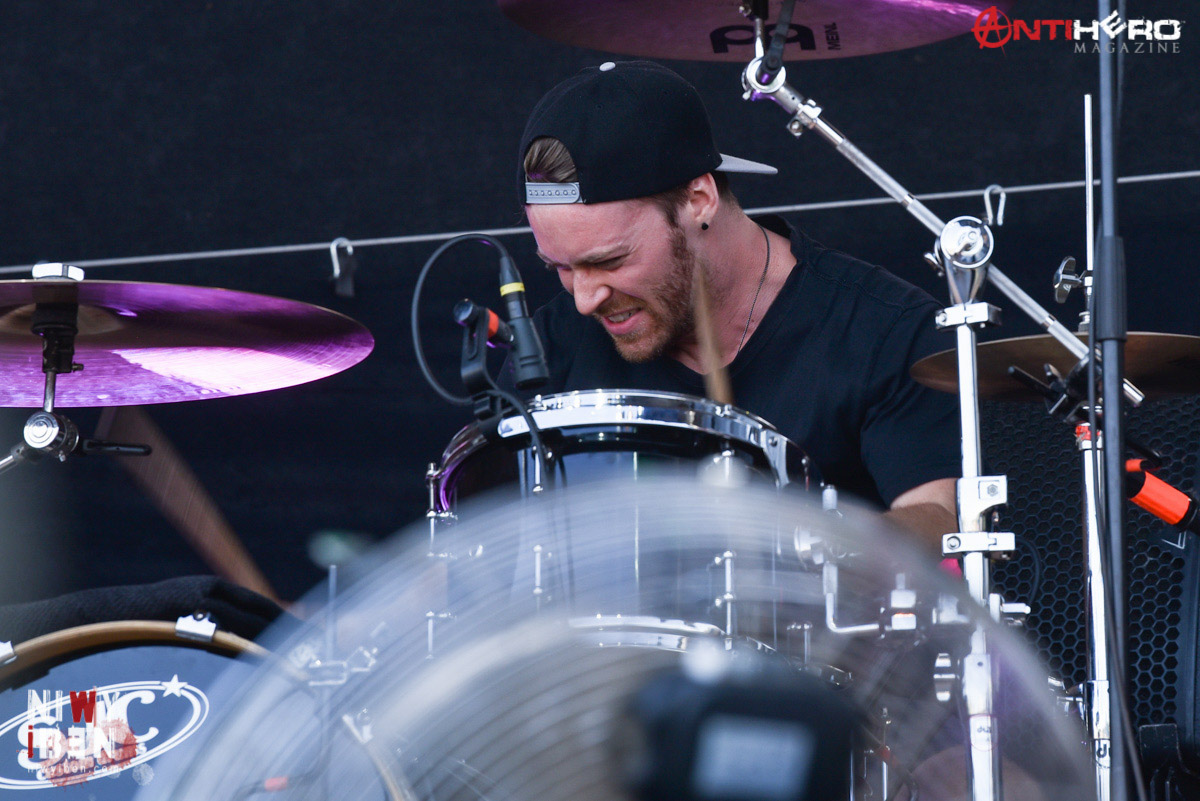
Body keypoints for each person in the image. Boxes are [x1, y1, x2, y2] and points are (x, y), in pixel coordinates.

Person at [514, 60, 960, 547]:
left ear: (698, 200)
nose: (584, 300)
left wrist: (811, 549)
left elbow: (936, 517)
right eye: (559, 267)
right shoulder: (548, 350)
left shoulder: (883, 329)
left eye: (609, 261)